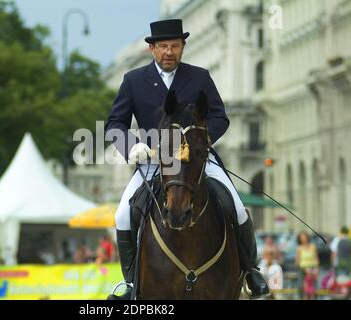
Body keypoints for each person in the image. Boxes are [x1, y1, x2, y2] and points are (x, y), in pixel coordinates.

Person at [105, 19, 269, 299]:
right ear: (153, 49)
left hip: (196, 161)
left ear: (182, 47)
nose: (170, 52)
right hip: (153, 161)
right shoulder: (133, 80)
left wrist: (201, 142)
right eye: (164, 46)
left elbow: (219, 116)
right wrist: (132, 146)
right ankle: (131, 282)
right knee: (122, 215)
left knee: (238, 207)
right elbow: (114, 124)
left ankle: (252, 272)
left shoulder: (200, 77)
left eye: (175, 46)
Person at [295, 231, 319, 300]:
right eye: (301, 238)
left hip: (312, 269)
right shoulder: (299, 248)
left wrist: (316, 269)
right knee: (304, 290)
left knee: (313, 289)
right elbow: (297, 262)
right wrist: (305, 269)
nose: (303, 239)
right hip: (303, 270)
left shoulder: (313, 246)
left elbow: (316, 259)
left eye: (304, 237)